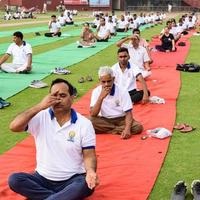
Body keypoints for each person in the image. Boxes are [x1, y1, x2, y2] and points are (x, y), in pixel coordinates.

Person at [8, 78, 98, 200]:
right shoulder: (40, 116)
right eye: (54, 95)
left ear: (72, 97)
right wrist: (39, 106)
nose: (58, 99)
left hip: (72, 179)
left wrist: (91, 172)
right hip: (42, 179)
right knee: (15, 180)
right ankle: (57, 197)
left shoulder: (84, 124)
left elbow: (89, 155)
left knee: (84, 185)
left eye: (62, 95)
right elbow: (14, 126)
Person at [90, 66, 143, 139]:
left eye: (109, 81)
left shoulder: (122, 90)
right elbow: (93, 114)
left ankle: (111, 130)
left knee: (138, 127)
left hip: (121, 119)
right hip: (104, 119)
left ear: (113, 79)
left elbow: (128, 113)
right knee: (89, 122)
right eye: (103, 82)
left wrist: (127, 129)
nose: (106, 84)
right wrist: (101, 97)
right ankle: (117, 130)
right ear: (99, 80)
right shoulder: (96, 91)